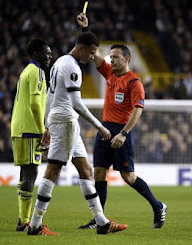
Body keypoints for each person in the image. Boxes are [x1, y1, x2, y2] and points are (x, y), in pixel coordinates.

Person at [27, 32, 127, 235]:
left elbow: (50, 96)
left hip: (63, 120)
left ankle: (102, 222)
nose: (92, 57)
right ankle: (35, 224)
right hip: (65, 122)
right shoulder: (72, 66)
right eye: (91, 53)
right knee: (53, 171)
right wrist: (99, 125)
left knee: (86, 170)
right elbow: (75, 103)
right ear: (81, 48)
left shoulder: (59, 62)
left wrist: (47, 125)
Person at [76, 13, 167, 229]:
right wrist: (84, 29)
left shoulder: (135, 82)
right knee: (98, 172)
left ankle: (157, 206)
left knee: (128, 176)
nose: (111, 59)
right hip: (104, 128)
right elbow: (94, 52)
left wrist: (124, 133)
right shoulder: (109, 74)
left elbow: (138, 110)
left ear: (127, 59)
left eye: (115, 57)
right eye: (111, 56)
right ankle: (100, 219)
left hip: (121, 131)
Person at [11, 38, 52, 232]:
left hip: (19, 128)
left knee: (25, 173)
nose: (50, 56)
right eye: (47, 53)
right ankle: (26, 221)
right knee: (30, 172)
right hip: (29, 129)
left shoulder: (26, 71)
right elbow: (35, 105)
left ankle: (22, 219)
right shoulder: (37, 72)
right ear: (36, 54)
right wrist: (42, 129)